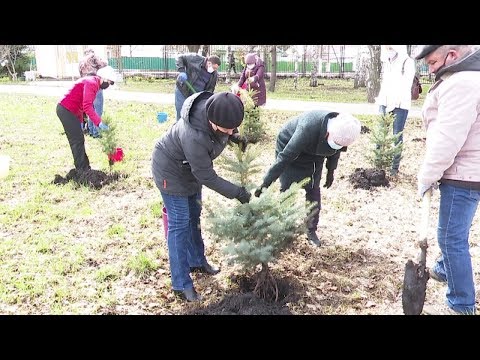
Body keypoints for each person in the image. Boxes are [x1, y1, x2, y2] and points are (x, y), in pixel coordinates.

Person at [152, 91, 251, 302]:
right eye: (227, 129)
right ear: (213, 123)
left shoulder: (218, 108)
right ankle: (181, 284)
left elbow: (228, 124)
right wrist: (238, 193)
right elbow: (207, 176)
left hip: (190, 170)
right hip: (171, 172)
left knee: (194, 215)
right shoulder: (194, 136)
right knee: (179, 223)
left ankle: (197, 260)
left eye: (234, 126)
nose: (231, 131)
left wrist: (234, 137)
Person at [415, 45, 480, 315]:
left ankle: (461, 303)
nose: (430, 69)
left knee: (450, 238)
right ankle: (444, 269)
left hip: (464, 173)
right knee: (453, 235)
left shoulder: (462, 83)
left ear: (452, 55)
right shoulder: (468, 77)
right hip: (471, 169)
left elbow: (448, 139)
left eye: (432, 62)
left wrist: (427, 175)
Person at [254, 110, 362, 247]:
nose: (337, 147)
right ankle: (286, 226)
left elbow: (335, 152)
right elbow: (285, 157)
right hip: (289, 146)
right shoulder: (307, 128)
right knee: (287, 189)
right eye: (334, 143)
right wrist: (266, 183)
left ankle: (311, 230)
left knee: (313, 189)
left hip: (315, 154)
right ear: (327, 133)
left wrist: (331, 171)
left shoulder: (343, 129)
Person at [56, 66, 116, 171]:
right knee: (76, 140)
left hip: (71, 111)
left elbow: (82, 104)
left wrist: (81, 121)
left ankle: (85, 167)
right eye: (109, 82)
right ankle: (81, 169)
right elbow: (87, 106)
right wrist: (99, 123)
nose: (109, 85)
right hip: (66, 110)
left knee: (79, 139)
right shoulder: (92, 83)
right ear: (104, 78)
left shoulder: (94, 83)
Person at [375, 45, 416, 176]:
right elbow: (386, 83)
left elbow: (405, 86)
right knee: (380, 134)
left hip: (400, 104)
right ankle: (378, 163)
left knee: (397, 135)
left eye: (390, 48)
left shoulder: (407, 62)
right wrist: (382, 101)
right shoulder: (387, 61)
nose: (388, 50)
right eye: (386, 48)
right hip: (385, 102)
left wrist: (394, 103)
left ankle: (394, 168)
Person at [174, 53, 221, 121]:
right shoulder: (196, 59)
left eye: (216, 69)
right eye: (213, 68)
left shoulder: (214, 74)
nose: (214, 70)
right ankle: (178, 129)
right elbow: (179, 58)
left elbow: (210, 89)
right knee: (181, 111)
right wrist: (182, 71)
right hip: (183, 89)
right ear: (209, 63)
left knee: (191, 115)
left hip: (195, 96)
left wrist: (204, 99)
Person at [78, 48, 108, 138]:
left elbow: (80, 74)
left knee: (90, 109)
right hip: (95, 84)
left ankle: (91, 130)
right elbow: (104, 65)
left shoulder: (81, 62)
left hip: (85, 86)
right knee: (98, 110)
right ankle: (96, 132)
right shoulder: (93, 58)